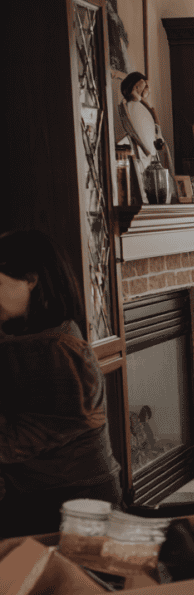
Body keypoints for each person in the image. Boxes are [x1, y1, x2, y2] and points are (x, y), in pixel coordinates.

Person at [0, 229, 123, 538]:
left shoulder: (59, 349)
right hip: (42, 493)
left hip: (71, 500)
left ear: (31, 280)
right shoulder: (27, 335)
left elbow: (25, 435)